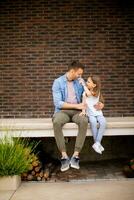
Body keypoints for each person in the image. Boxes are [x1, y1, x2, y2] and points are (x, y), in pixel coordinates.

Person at [52, 61, 88, 172]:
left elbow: (86, 96)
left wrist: (84, 86)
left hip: (77, 112)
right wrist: (78, 106)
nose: (80, 76)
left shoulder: (79, 82)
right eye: (79, 74)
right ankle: (64, 156)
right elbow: (58, 103)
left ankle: (76, 155)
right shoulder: (58, 82)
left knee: (84, 121)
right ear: (72, 71)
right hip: (63, 111)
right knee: (56, 121)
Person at [79, 75, 106, 154]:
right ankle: (97, 143)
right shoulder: (85, 93)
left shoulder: (96, 92)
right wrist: (83, 111)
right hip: (90, 113)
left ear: (94, 85)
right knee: (93, 122)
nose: (87, 83)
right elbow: (84, 103)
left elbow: (91, 95)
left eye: (88, 82)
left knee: (103, 122)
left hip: (98, 113)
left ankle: (97, 143)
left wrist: (83, 84)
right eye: (86, 81)